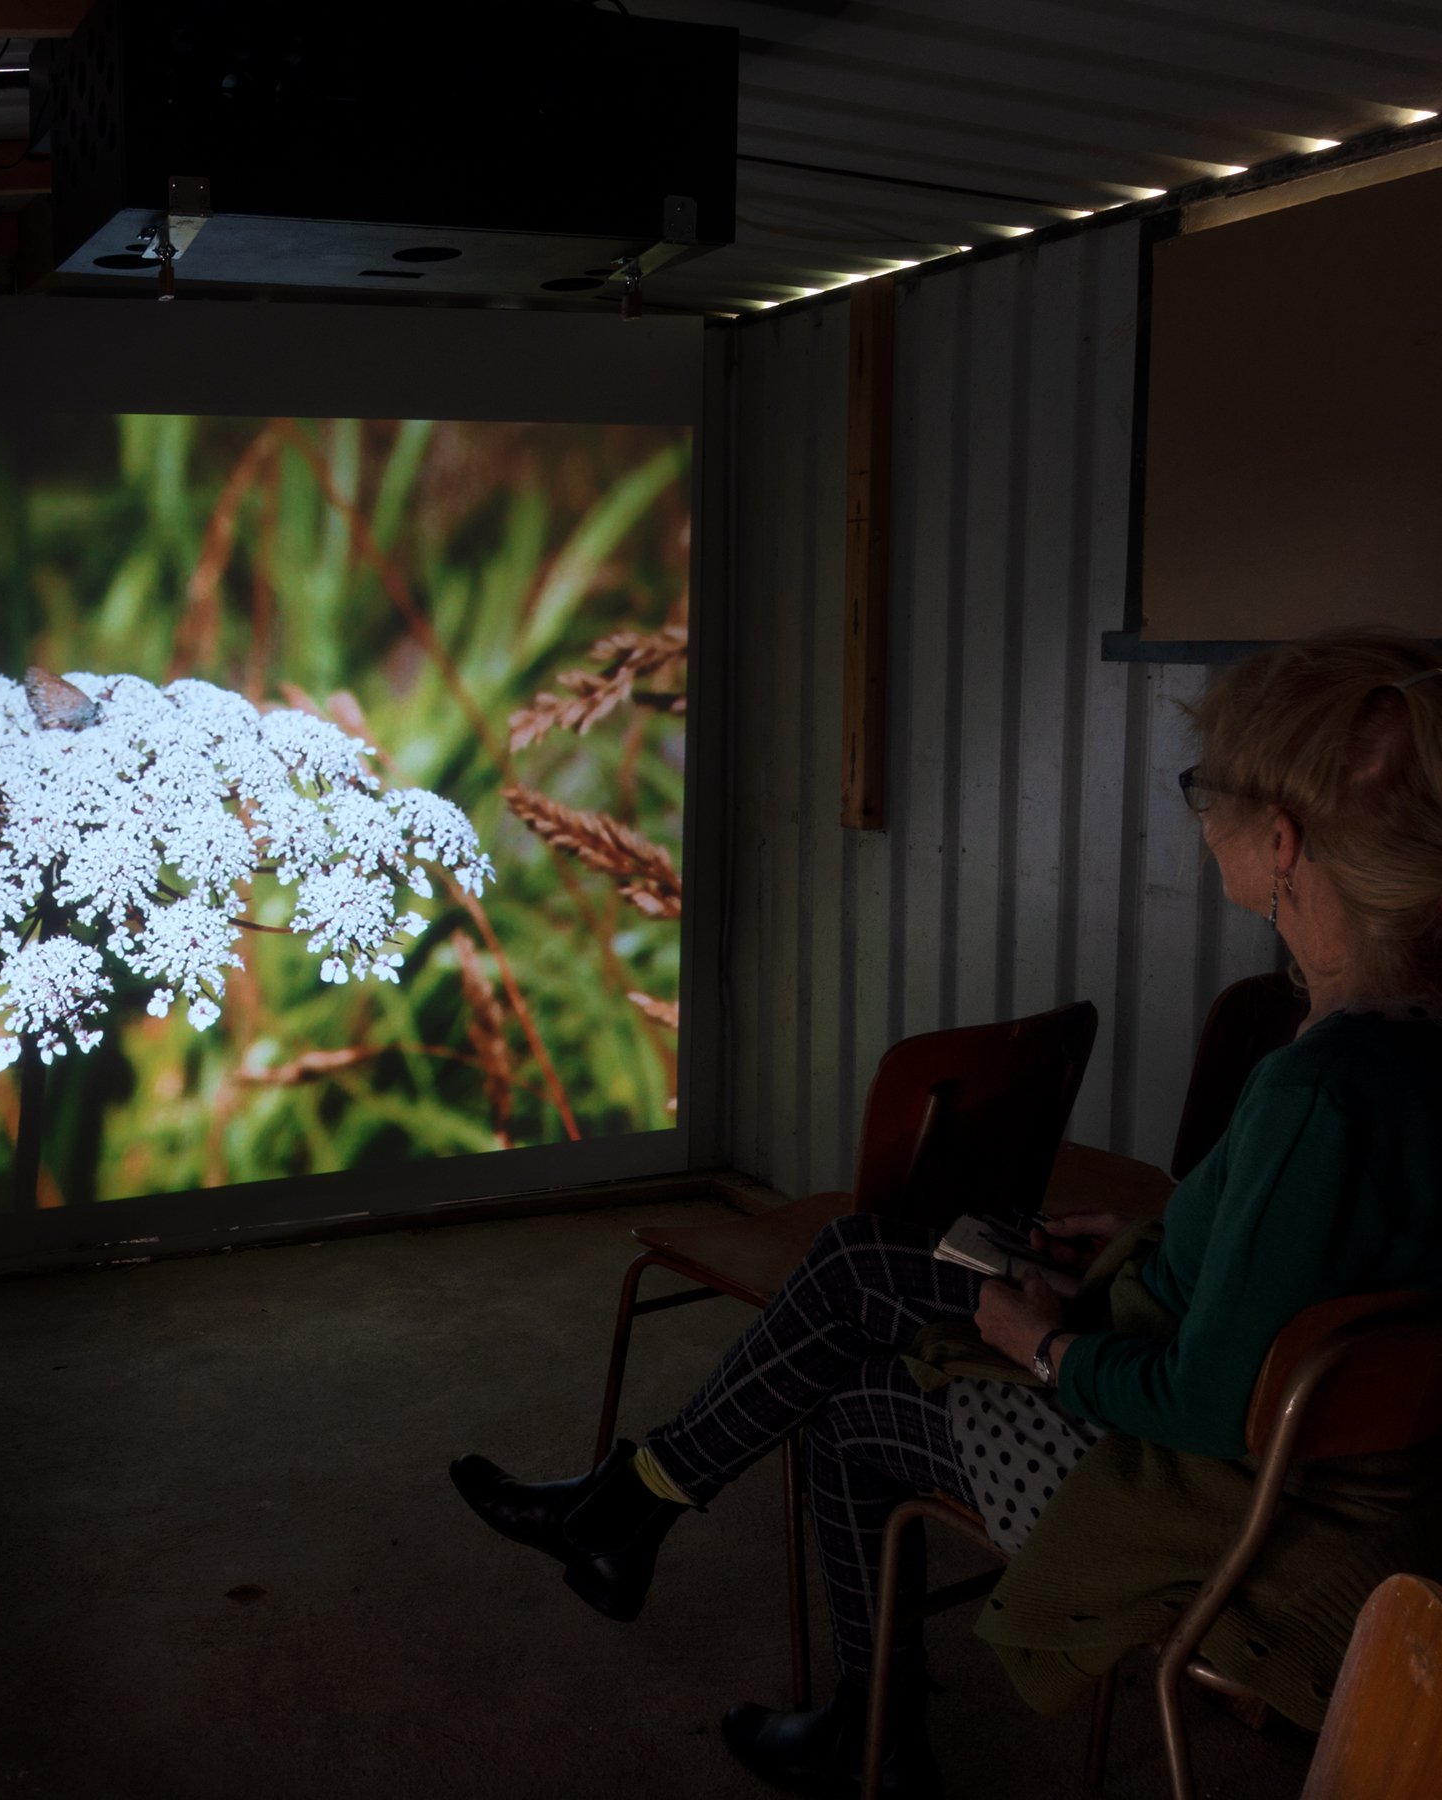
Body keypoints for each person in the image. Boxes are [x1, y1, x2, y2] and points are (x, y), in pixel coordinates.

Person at [450, 630, 1442, 1797]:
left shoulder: (1315, 1090)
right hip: (1359, 1475)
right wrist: (1144, 1245)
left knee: (851, 1408)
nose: (1199, 814)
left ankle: (852, 1726)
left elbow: (1205, 1408)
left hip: (1221, 1502)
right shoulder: (1395, 1044)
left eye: (1205, 791)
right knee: (867, 1267)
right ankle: (640, 1513)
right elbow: (1306, 1265)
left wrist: (1046, 1344)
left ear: (1280, 843)